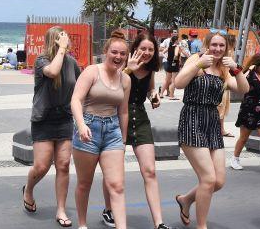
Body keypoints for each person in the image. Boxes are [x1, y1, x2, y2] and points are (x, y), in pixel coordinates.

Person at [173, 30, 249, 229]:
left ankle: (186, 199)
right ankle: (202, 226)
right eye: (214, 45)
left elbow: (244, 89)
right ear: (207, 45)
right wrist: (198, 65)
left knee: (219, 181)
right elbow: (178, 83)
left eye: (221, 46)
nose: (217, 49)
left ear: (227, 49)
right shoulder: (196, 60)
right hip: (192, 118)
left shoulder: (224, 68)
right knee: (208, 179)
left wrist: (237, 69)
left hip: (213, 122)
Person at [100, 31, 171, 229]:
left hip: (139, 119)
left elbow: (149, 89)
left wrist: (154, 95)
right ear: (135, 49)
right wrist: (128, 70)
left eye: (150, 49)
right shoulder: (121, 63)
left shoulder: (150, 69)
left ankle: (159, 222)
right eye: (143, 49)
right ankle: (109, 209)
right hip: (115, 118)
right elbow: (111, 86)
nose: (147, 52)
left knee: (149, 171)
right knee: (114, 173)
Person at [71, 30, 130, 229]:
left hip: (112, 131)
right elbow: (76, 100)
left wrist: (122, 139)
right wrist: (81, 125)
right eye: (114, 52)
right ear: (106, 51)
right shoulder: (91, 72)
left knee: (117, 185)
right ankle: (82, 224)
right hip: (88, 129)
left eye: (122, 54)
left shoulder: (125, 80)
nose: (118, 57)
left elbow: (123, 111)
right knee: (84, 183)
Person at [22, 27, 80, 227]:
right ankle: (28, 189)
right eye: (59, 40)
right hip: (44, 119)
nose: (64, 42)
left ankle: (61, 210)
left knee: (63, 165)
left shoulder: (72, 63)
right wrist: (62, 50)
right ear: (52, 42)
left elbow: (82, 87)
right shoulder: (41, 61)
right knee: (42, 166)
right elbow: (53, 71)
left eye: (65, 39)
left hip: (64, 118)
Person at [230, 53, 260, 176]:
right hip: (248, 110)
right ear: (256, 65)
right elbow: (240, 83)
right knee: (243, 138)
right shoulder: (249, 75)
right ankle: (235, 158)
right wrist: (248, 70)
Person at [218, 33, 237, 138]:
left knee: (222, 106)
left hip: (225, 79)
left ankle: (221, 128)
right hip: (224, 79)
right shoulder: (229, 52)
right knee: (222, 106)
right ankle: (221, 129)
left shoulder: (228, 51)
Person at [159, 28, 178, 98]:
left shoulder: (177, 42)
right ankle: (169, 93)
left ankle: (167, 92)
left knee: (168, 79)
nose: (176, 33)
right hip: (168, 61)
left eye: (176, 32)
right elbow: (160, 48)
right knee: (170, 79)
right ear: (171, 33)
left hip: (170, 61)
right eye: (174, 32)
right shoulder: (166, 41)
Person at [164, 35, 181, 100]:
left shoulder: (170, 46)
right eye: (178, 40)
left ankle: (164, 93)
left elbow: (162, 53)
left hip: (169, 64)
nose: (179, 41)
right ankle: (171, 95)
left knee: (168, 80)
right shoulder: (177, 47)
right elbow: (176, 55)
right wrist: (174, 60)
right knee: (173, 81)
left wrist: (168, 59)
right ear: (176, 41)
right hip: (174, 65)